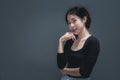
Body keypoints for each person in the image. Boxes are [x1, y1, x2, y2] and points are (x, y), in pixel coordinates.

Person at [57, 6, 100, 80]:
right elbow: (61, 65)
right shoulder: (71, 40)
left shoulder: (93, 42)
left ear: (84, 19)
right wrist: (60, 41)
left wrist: (65, 71)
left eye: (74, 21)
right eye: (69, 23)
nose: (71, 26)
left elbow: (85, 71)